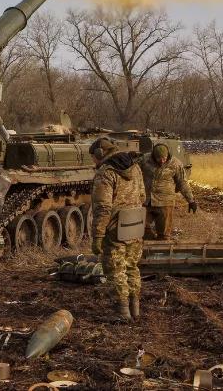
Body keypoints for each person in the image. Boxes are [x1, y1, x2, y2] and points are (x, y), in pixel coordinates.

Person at [88, 136, 146, 322]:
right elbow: (143, 195)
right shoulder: (135, 167)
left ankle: (122, 312)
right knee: (132, 267)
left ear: (99, 153)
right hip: (135, 224)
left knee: (115, 269)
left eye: (94, 158)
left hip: (115, 229)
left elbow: (103, 208)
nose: (94, 162)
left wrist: (98, 235)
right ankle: (135, 309)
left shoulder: (106, 173)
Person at [142, 143, 197, 240]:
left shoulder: (175, 164)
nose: (162, 161)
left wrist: (191, 200)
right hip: (147, 201)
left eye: (164, 158)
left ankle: (162, 251)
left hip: (165, 203)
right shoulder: (144, 160)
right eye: (159, 159)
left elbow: (182, 183)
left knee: (163, 235)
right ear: (154, 156)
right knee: (141, 229)